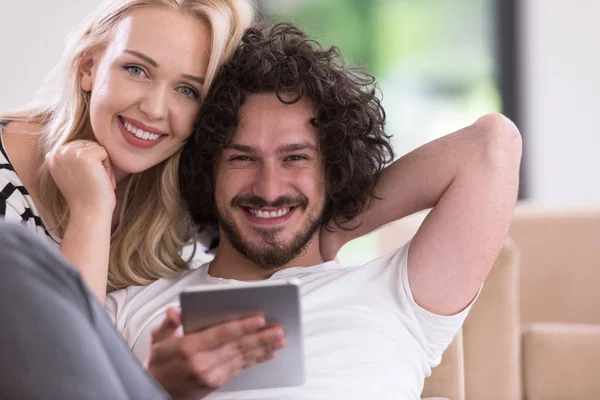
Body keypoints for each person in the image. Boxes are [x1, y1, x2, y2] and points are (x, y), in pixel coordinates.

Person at [105, 22, 522, 399]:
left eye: (295, 158)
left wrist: (336, 226)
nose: (269, 190)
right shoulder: (130, 309)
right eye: (242, 159)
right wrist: (153, 389)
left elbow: (491, 144)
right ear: (207, 170)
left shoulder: (399, 295)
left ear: (333, 169)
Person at [0, 0, 253, 302]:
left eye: (188, 91)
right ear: (88, 67)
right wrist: (89, 211)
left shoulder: (196, 195)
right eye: (137, 70)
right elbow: (65, 346)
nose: (154, 109)